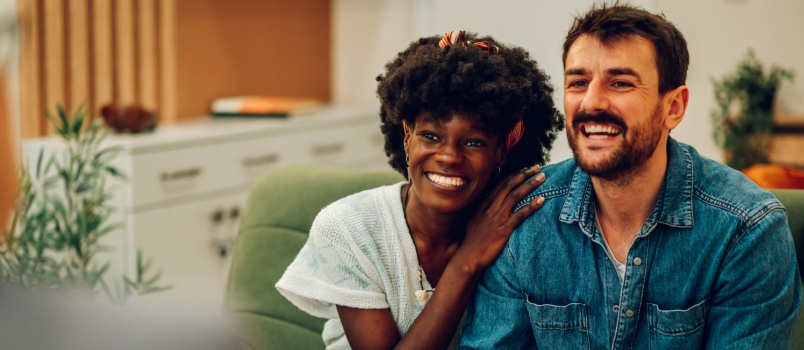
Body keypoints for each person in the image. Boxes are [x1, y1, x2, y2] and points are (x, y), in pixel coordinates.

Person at [460, 3, 802, 349]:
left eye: (620, 83)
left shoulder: (746, 230)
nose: (591, 103)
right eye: (578, 82)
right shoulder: (524, 217)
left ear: (674, 108)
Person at [276, 31, 564, 349]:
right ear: (406, 136)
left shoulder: (512, 229)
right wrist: (467, 261)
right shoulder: (349, 229)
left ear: (500, 152)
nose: (449, 157)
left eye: (473, 142)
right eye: (431, 135)